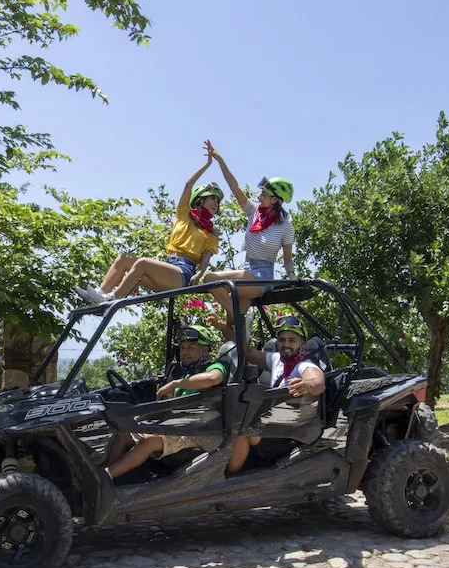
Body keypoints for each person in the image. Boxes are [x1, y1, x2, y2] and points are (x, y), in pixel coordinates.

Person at [74, 145, 223, 305]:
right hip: (168, 265)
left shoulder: (211, 232)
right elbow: (188, 185)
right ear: (200, 199)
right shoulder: (184, 215)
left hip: (183, 273)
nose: (216, 203)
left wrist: (199, 274)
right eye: (212, 198)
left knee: (143, 263)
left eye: (218, 201)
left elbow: (206, 259)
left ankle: (111, 300)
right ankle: (100, 295)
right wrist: (207, 164)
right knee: (124, 259)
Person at [105, 325, 230, 480]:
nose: (185, 352)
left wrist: (175, 384)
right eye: (182, 348)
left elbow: (213, 379)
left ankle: (105, 480)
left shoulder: (214, 367)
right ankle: (107, 478)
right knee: (123, 433)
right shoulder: (186, 374)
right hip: (178, 427)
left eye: (191, 347)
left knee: (148, 442)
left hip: (200, 433)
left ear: (205, 350)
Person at [208, 312, 325, 475]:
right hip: (273, 425)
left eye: (292, 340)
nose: (286, 344)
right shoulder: (277, 359)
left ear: (302, 343)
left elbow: (318, 382)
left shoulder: (304, 365)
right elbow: (247, 352)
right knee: (233, 420)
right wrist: (223, 328)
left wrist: (308, 384)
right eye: (282, 340)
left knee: (241, 429)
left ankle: (230, 478)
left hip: (292, 432)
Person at [201, 141, 295, 317]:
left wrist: (293, 279)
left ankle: (239, 320)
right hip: (245, 270)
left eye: (264, 194)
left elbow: (288, 260)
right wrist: (220, 160)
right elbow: (234, 187)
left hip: (262, 276)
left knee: (210, 279)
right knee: (233, 327)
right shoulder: (253, 212)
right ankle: (239, 324)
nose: (259, 196)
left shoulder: (285, 226)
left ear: (275, 200)